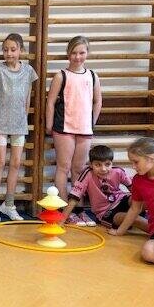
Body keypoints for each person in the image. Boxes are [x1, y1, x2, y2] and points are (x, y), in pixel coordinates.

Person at [46, 35, 102, 226]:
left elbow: (97, 101)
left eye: (82, 53)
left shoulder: (92, 76)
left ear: (87, 53)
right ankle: (64, 209)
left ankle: (79, 209)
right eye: (74, 53)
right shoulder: (61, 75)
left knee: (79, 170)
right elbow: (51, 102)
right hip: (64, 128)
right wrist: (49, 124)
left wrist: (91, 122)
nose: (78, 57)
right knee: (63, 167)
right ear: (68, 54)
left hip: (84, 129)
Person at [0, 33, 38, 223]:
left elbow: (27, 96)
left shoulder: (29, 71)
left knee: (16, 163)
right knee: (0, 161)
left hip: (19, 124)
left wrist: (23, 117)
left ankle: (9, 204)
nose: (9, 53)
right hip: (0, 122)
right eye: (5, 50)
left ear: (21, 50)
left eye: (13, 49)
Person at [61, 145, 147, 231]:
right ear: (91, 165)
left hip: (121, 199)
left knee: (142, 201)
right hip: (105, 212)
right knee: (135, 219)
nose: (103, 169)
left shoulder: (118, 171)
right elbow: (74, 198)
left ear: (112, 163)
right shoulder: (87, 174)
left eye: (107, 164)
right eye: (98, 165)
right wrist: (61, 221)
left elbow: (133, 189)